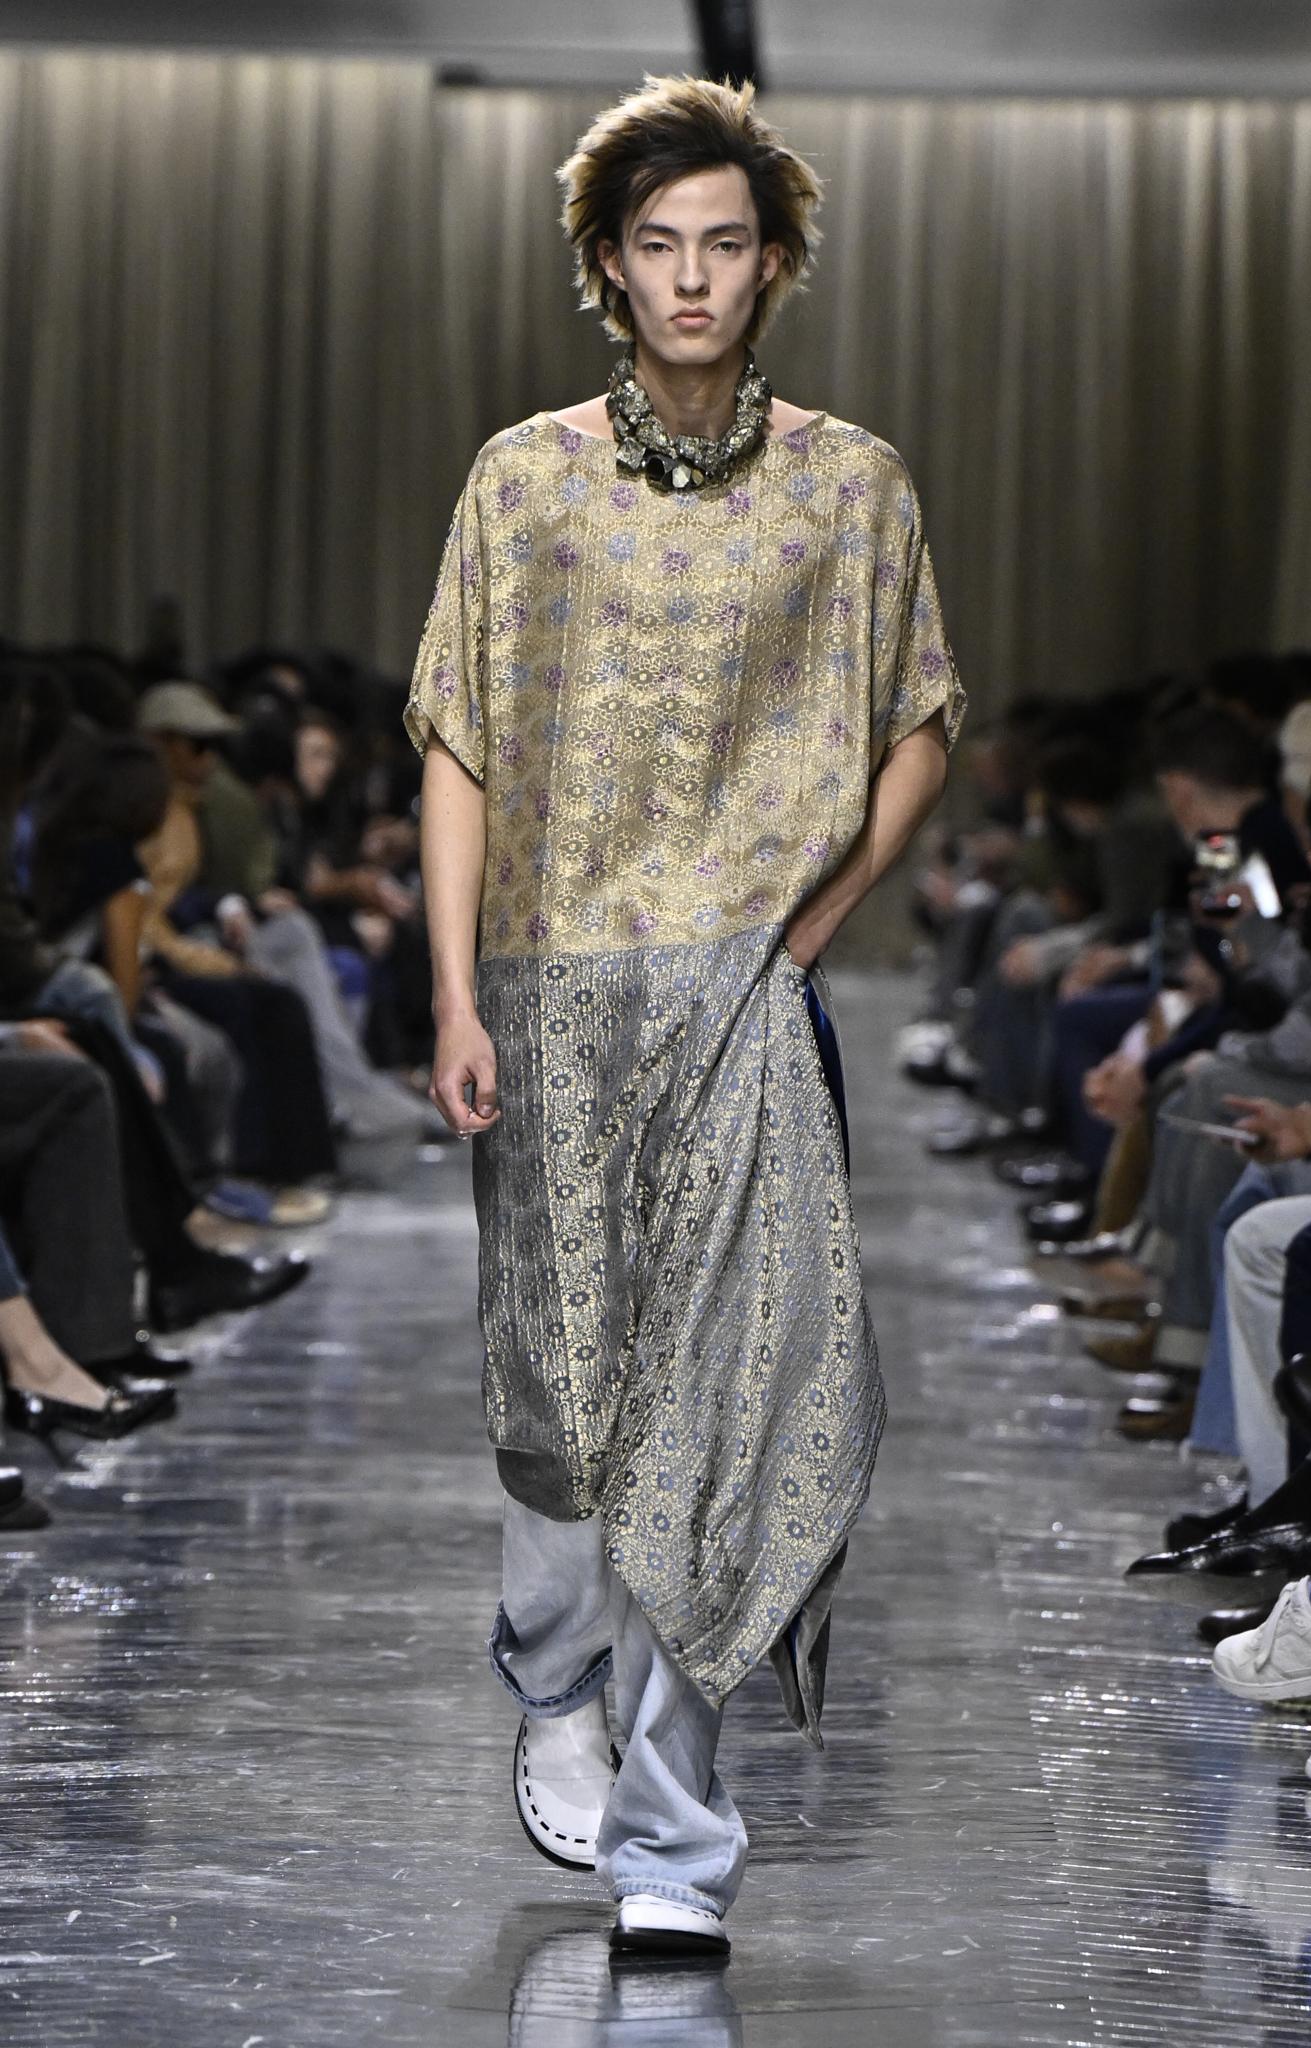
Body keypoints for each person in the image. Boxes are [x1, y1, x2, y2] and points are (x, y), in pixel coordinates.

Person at [406, 75, 964, 1959]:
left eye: (728, 243)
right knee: (564, 1399)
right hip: (551, 986)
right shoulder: (522, 477)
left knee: (723, 1401)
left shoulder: (853, 484)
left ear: (776, 261)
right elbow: (460, 739)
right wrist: (452, 989)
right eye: (659, 246)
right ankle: (553, 1670)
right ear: (609, 266)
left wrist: (811, 930)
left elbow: (918, 723)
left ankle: (673, 1838)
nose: (695, 277)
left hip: (737, 987)